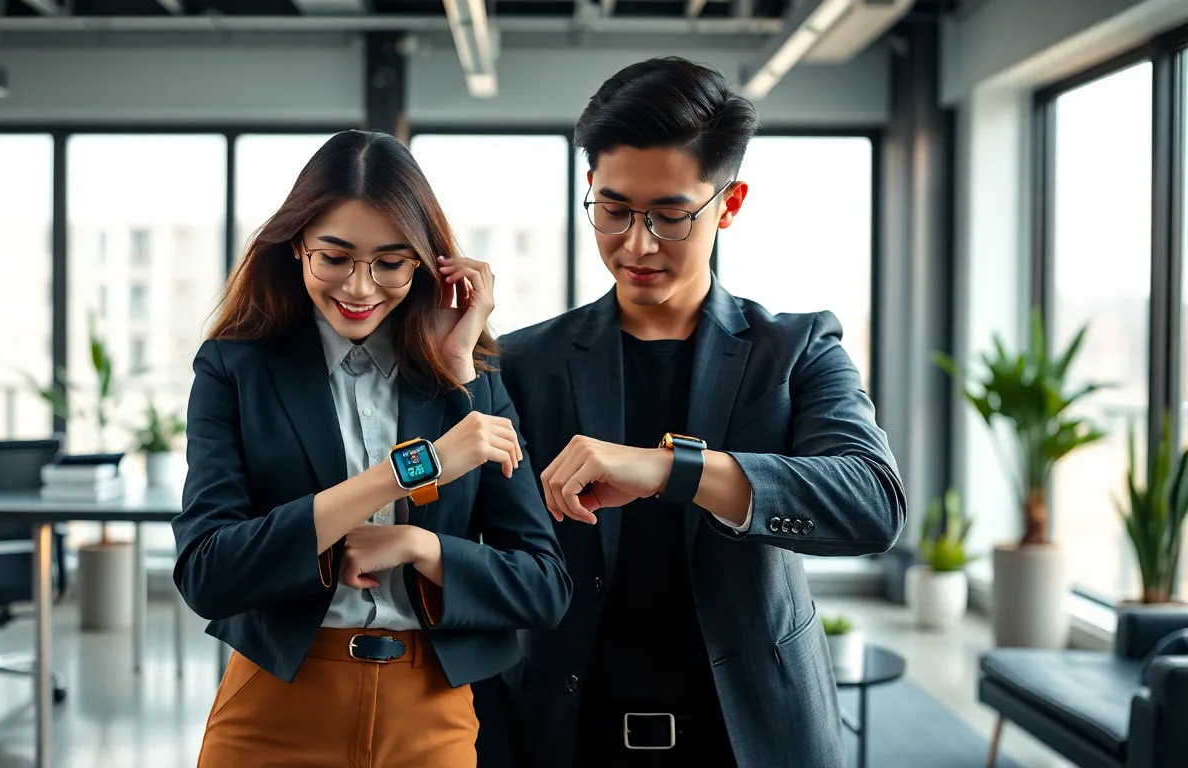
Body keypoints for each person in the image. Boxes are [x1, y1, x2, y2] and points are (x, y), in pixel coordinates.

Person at [474, 57, 907, 768]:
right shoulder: (523, 364)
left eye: (670, 215)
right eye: (613, 210)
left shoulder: (795, 349)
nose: (637, 243)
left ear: (728, 205)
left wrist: (675, 470)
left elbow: (873, 503)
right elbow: (474, 566)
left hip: (752, 742)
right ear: (589, 189)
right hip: (562, 738)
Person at [172, 129, 573, 768]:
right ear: (297, 246)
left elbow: (543, 586)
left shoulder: (472, 380)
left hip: (429, 715)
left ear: (423, 264)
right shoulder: (234, 369)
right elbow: (208, 573)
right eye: (335, 258)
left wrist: (421, 545)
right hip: (274, 704)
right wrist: (405, 473)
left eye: (389, 262)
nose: (360, 288)